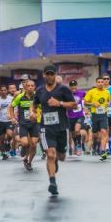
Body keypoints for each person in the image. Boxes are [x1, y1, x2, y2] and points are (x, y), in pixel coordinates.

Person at [31, 65, 76, 195]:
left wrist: (60, 103)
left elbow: (74, 105)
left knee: (61, 157)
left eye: (52, 74)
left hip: (61, 127)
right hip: (46, 128)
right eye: (47, 74)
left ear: (55, 75)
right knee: (50, 154)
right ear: (44, 75)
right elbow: (34, 105)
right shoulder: (39, 91)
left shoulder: (63, 89)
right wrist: (32, 113)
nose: (50, 76)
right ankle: (52, 182)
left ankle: (57, 158)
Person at [10, 80, 39, 170]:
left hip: (35, 124)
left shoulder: (37, 97)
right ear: (25, 87)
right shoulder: (20, 97)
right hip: (23, 124)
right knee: (25, 143)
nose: (30, 87)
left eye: (32, 86)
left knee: (34, 144)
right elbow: (11, 106)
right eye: (28, 86)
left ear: (34, 87)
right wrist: (13, 118)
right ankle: (23, 147)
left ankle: (28, 161)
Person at [84, 77, 111, 161]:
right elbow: (85, 103)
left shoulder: (107, 92)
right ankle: (95, 145)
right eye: (98, 82)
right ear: (96, 83)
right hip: (94, 115)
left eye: (102, 82)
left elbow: (109, 101)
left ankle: (102, 150)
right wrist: (92, 104)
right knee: (95, 135)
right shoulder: (91, 92)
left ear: (104, 83)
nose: (100, 83)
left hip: (103, 114)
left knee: (104, 132)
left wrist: (107, 104)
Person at [0, 85, 14, 160]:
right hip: (0, 121)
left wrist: (13, 115)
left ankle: (8, 143)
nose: (3, 92)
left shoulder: (11, 99)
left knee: (10, 134)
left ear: (7, 91)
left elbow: (15, 107)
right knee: (1, 139)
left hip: (9, 120)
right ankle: (4, 153)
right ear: (0, 92)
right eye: (2, 90)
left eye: (5, 90)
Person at [67, 80, 87, 156]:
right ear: (70, 87)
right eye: (72, 86)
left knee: (77, 129)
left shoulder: (82, 93)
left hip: (80, 115)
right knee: (73, 134)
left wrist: (86, 107)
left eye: (74, 85)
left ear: (77, 86)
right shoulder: (67, 94)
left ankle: (79, 147)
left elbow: (88, 98)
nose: (73, 87)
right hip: (70, 117)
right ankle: (76, 145)